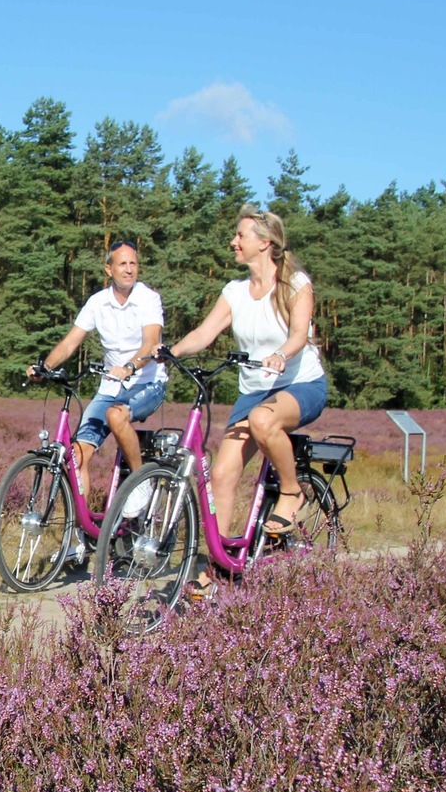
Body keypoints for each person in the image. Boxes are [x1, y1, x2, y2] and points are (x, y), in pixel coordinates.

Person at [167, 204, 327, 593]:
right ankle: (217, 565)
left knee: (262, 421)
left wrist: (281, 355)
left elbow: (299, 335)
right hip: (254, 390)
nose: (233, 241)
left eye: (240, 236)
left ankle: (291, 492)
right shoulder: (235, 292)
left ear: (264, 243)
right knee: (220, 474)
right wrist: (168, 352)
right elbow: (204, 334)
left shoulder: (294, 284)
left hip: (299, 384)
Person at [28, 240, 168, 560]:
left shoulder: (148, 298)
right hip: (111, 385)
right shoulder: (97, 302)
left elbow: (150, 342)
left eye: (133, 263)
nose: (129, 269)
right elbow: (71, 341)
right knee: (76, 457)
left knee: (117, 415)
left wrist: (131, 366)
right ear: (109, 269)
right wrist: (45, 367)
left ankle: (140, 482)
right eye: (122, 264)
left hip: (147, 382)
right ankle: (79, 539)